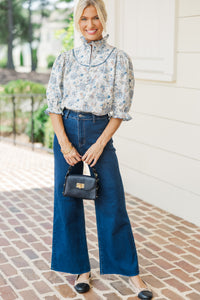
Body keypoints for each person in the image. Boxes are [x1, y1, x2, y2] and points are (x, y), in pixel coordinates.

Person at [46, 0, 153, 299]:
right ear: (77, 22)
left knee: (112, 202)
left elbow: (121, 108)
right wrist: (65, 143)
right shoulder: (65, 59)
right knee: (66, 203)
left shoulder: (120, 59)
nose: (90, 24)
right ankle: (81, 269)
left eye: (95, 18)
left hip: (99, 132)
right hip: (65, 131)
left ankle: (132, 274)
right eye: (84, 19)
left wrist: (100, 143)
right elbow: (54, 105)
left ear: (104, 20)